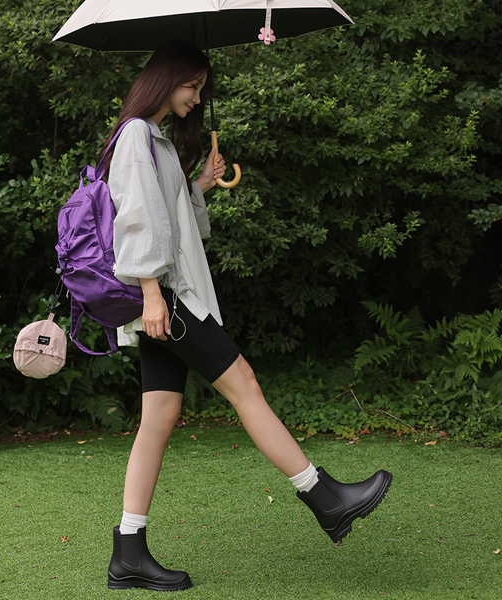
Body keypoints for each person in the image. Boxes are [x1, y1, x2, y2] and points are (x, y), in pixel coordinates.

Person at [103, 40, 392, 592]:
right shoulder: (138, 134)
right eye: (192, 85)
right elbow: (136, 218)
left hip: (163, 296)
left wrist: (199, 184)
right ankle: (324, 497)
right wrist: (152, 294)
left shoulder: (153, 137)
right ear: (165, 79)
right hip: (168, 297)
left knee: (158, 418)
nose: (197, 97)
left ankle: (129, 553)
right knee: (245, 385)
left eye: (201, 88)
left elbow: (166, 212)